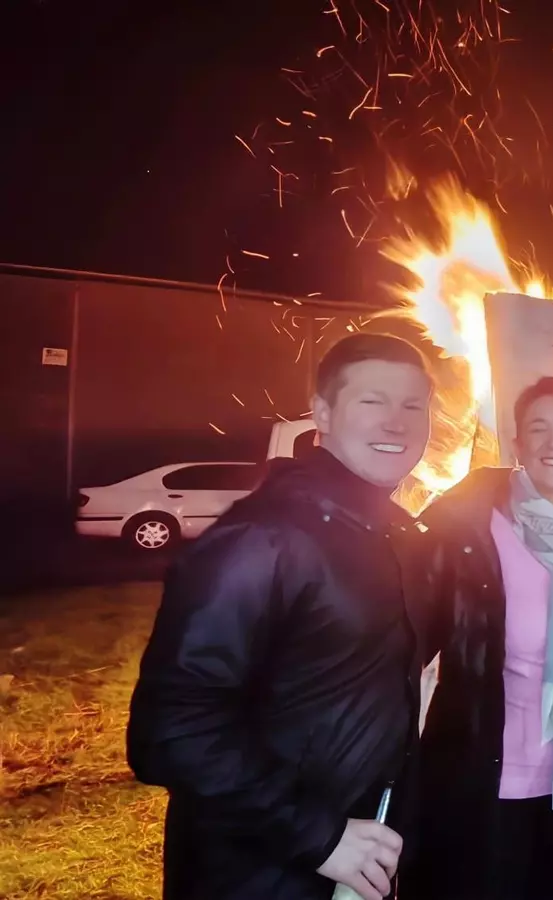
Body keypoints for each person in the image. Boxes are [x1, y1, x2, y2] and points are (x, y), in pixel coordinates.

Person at [127, 332, 434, 900]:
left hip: (354, 862)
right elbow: (169, 731)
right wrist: (321, 838)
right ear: (322, 413)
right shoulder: (263, 537)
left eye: (413, 405)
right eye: (373, 401)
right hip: (256, 875)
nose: (397, 422)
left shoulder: (388, 534)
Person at [407, 377, 553, 900]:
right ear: (516, 444)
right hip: (485, 781)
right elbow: (404, 642)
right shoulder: (467, 530)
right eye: (538, 428)